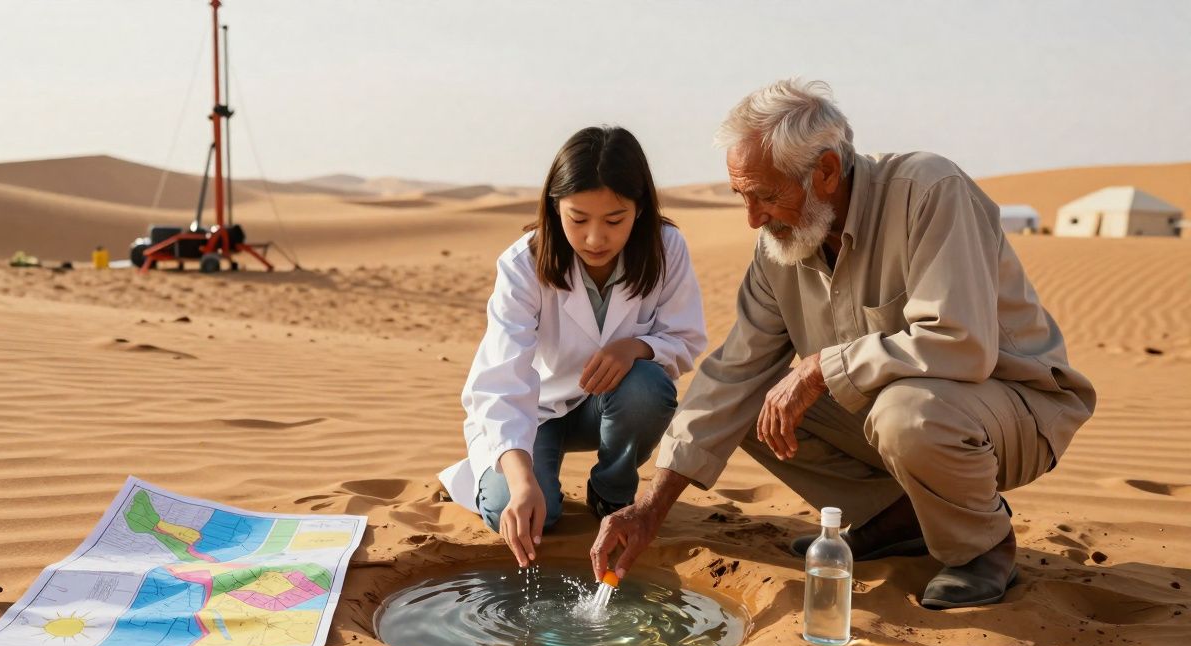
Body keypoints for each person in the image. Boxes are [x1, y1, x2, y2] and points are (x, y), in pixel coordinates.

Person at [589, 79, 1096, 609]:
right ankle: (896, 519)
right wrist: (650, 507)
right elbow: (733, 375)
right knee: (747, 405)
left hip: (1014, 410)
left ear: (826, 171)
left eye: (767, 195)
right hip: (910, 413)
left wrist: (817, 369)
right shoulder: (778, 249)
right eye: (743, 196)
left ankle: (981, 550)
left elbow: (959, 344)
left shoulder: (930, 191)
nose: (754, 218)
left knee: (904, 414)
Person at [439, 126, 707, 568]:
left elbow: (686, 339)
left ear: (639, 210)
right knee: (528, 514)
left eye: (614, 220)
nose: (595, 239)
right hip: (535, 413)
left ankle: (612, 493)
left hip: (609, 409)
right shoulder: (523, 263)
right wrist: (523, 483)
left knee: (646, 387)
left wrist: (637, 348)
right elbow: (502, 380)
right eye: (578, 220)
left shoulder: (667, 248)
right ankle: (497, 478)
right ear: (553, 207)